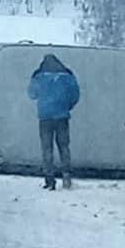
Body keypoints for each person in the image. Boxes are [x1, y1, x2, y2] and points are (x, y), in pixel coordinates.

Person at [28, 54, 80, 190]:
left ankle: (49, 179)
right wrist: (67, 106)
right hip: (62, 117)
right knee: (64, 147)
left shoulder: (39, 76)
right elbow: (75, 95)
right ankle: (67, 177)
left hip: (45, 117)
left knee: (47, 148)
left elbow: (32, 94)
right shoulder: (67, 76)